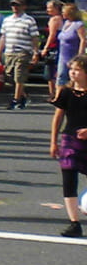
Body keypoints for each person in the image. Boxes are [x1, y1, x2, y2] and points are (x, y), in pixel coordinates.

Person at [49, 55, 87, 236]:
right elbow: (58, 117)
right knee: (68, 180)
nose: (73, 72)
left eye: (77, 69)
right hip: (70, 140)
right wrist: (53, 141)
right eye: (71, 69)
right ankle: (74, 223)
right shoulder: (65, 92)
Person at [0, 0, 42, 110]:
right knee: (9, 76)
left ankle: (16, 100)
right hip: (9, 51)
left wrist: (36, 52)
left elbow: (34, 37)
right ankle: (23, 95)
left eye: (17, 5)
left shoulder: (29, 20)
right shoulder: (7, 20)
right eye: (13, 5)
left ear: (23, 6)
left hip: (23, 51)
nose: (15, 7)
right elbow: (3, 37)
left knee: (19, 76)